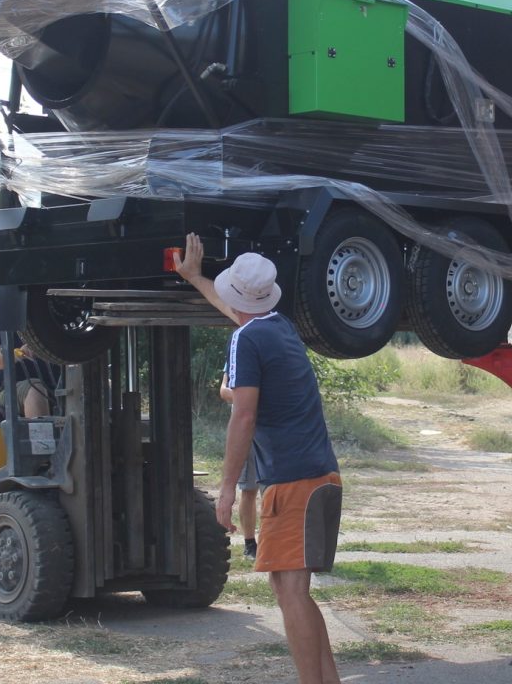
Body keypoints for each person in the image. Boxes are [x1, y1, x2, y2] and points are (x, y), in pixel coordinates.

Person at [176, 233, 342, 684]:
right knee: (293, 593)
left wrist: (227, 489)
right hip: (320, 476)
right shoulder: (277, 326)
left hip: (294, 482)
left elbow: (243, 416)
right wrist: (195, 278)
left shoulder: (247, 339)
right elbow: (233, 311)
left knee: (291, 594)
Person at [0, 303, 58, 419]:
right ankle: (41, 437)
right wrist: (18, 353)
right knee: (36, 390)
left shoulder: (62, 311)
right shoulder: (5, 311)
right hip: (10, 390)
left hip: (59, 387)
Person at [219, 373, 262, 559]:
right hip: (247, 432)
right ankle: (250, 544)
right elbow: (224, 391)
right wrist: (250, 396)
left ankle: (273, 543)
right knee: (249, 489)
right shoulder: (239, 351)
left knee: (276, 490)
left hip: (274, 430)